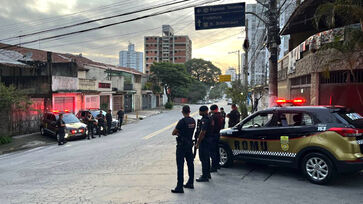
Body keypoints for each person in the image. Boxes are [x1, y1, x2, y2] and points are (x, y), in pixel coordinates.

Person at [171, 105, 196, 194]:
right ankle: (190, 182)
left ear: (182, 112)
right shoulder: (193, 121)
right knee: (190, 164)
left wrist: (179, 133)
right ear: (189, 111)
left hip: (181, 146)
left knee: (180, 166)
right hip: (189, 145)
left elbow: (173, 132)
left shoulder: (182, 121)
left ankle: (179, 186)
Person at [195, 106, 213, 182]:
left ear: (202, 111)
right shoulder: (210, 118)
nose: (199, 112)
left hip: (204, 141)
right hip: (209, 140)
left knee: (204, 158)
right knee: (207, 158)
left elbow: (203, 132)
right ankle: (207, 174)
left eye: (199, 111)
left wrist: (198, 143)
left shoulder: (205, 120)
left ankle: (204, 176)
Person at [209, 105, 224, 172]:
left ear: (213, 110)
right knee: (217, 150)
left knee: (213, 151)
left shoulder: (213, 117)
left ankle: (214, 166)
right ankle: (217, 165)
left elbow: (211, 126)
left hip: (213, 135)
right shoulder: (220, 115)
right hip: (218, 133)